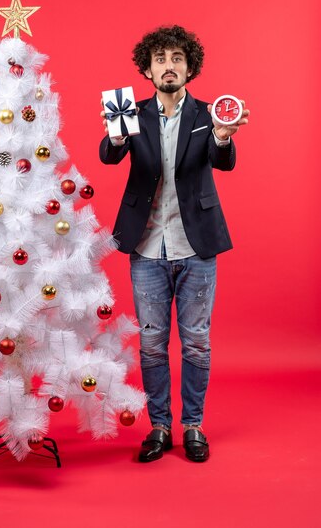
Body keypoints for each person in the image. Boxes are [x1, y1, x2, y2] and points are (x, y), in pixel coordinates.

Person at [99, 25, 249, 463]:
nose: (169, 66)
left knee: (197, 342)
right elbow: (109, 155)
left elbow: (224, 160)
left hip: (196, 246)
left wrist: (223, 136)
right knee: (151, 342)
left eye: (177, 59)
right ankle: (160, 427)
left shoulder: (209, 114)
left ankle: (193, 426)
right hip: (146, 248)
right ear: (148, 69)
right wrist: (116, 138)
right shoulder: (131, 113)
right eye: (161, 59)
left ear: (190, 67)